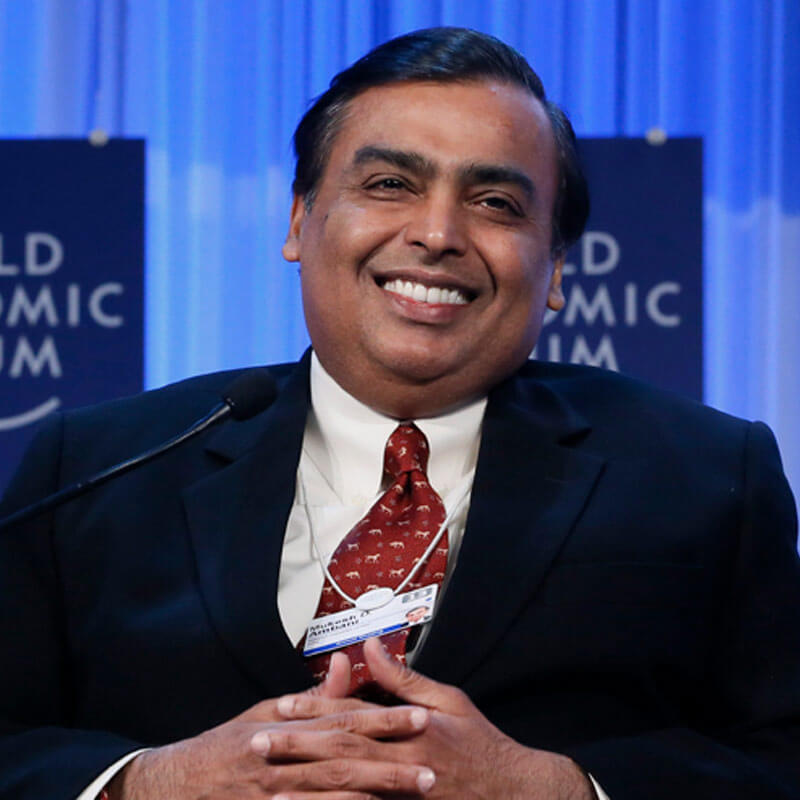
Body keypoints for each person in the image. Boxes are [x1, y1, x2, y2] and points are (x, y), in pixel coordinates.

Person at [1, 26, 799, 800]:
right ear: (298, 220)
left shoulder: (701, 476)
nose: (438, 233)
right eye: (389, 185)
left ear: (556, 266)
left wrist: (557, 789)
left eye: (495, 202)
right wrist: (145, 785)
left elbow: (781, 757)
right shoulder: (98, 469)